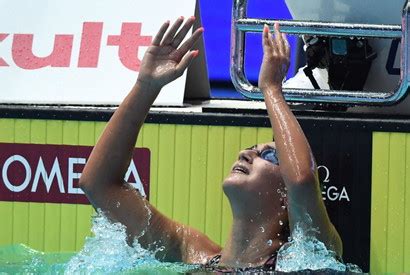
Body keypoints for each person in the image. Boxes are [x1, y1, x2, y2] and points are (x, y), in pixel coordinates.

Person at [79, 16, 342, 269]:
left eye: (270, 156)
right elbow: (99, 185)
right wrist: (146, 86)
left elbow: (302, 181)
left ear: (288, 200)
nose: (246, 154)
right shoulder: (190, 251)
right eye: (251, 148)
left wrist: (271, 89)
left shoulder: (308, 252)